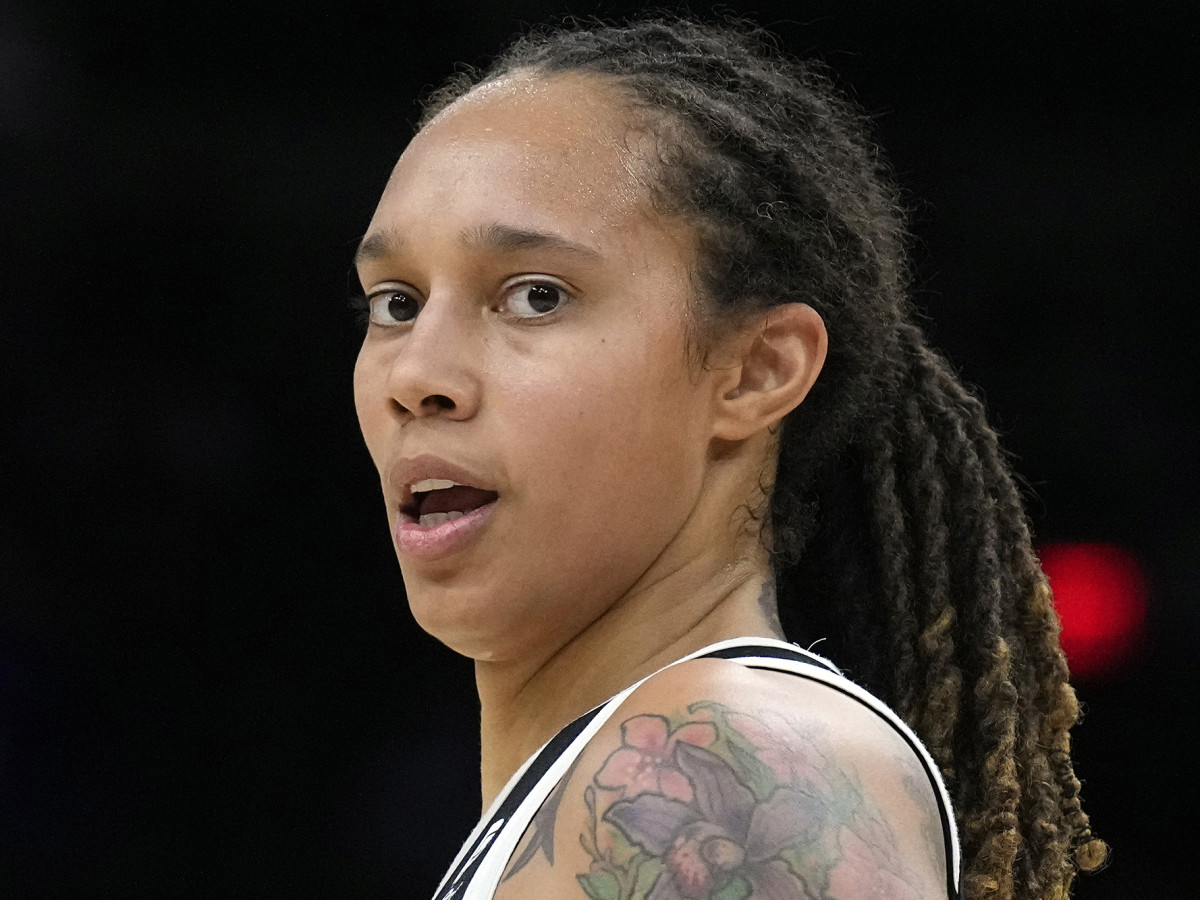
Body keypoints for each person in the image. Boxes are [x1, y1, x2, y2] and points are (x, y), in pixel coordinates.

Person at [350, 16, 1105, 900]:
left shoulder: (729, 761)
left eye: (535, 296)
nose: (417, 374)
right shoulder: (606, 776)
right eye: (396, 303)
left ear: (754, 372)